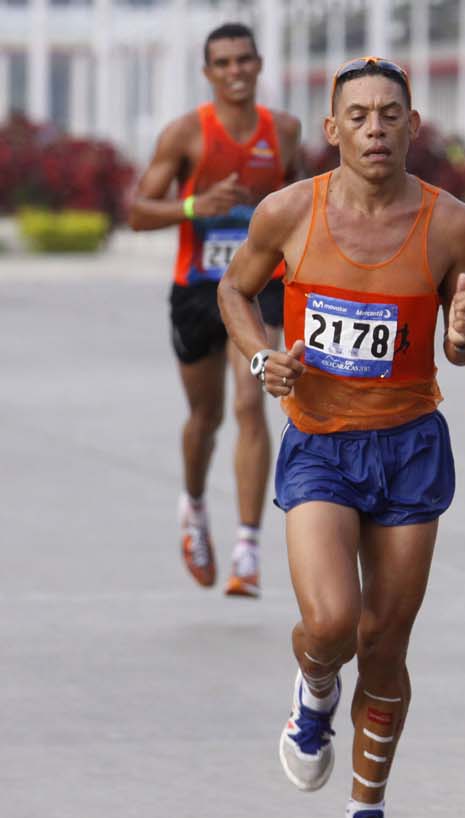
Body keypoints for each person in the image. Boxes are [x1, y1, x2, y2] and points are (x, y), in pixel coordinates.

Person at [218, 57, 465, 818]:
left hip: (409, 443)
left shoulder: (453, 226)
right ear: (333, 130)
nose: (376, 129)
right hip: (321, 441)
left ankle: (367, 814)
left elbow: (463, 341)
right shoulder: (289, 212)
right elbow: (234, 292)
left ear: (414, 125)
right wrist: (265, 358)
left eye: (390, 114)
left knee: (386, 642)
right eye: (359, 116)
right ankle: (313, 693)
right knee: (332, 624)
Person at [129, 22, 304, 597]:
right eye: (223, 63)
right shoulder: (186, 135)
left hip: (257, 283)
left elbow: (302, 205)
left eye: (243, 61)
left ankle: (247, 550)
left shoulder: (283, 131)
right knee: (206, 419)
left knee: (251, 401)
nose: (235, 72)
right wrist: (192, 205)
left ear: (258, 65)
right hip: (198, 288)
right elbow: (136, 210)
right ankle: (195, 505)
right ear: (208, 74)